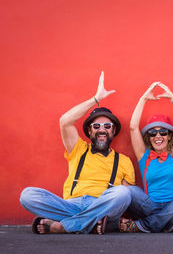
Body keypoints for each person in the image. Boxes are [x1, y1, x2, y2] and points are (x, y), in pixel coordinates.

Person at [19, 72, 135, 234]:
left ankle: (63, 226)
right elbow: (65, 122)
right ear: (89, 130)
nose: (102, 130)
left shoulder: (123, 160)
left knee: (123, 193)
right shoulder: (78, 149)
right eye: (96, 126)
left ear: (113, 130)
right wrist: (96, 99)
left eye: (107, 126)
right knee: (27, 195)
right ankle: (91, 223)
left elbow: (126, 200)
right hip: (71, 204)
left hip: (102, 206)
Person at [119, 82, 173, 233]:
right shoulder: (145, 156)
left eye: (163, 132)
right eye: (153, 133)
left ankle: (142, 226)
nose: (158, 136)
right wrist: (143, 99)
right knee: (129, 191)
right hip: (149, 206)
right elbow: (133, 127)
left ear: (169, 136)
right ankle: (172, 224)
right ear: (149, 137)